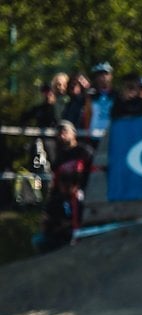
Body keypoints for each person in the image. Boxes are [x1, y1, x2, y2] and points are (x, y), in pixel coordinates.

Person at [35, 120, 94, 253]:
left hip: (84, 192)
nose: (62, 135)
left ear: (73, 133)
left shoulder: (84, 151)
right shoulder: (59, 158)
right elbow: (55, 183)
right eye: (59, 133)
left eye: (65, 132)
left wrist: (81, 188)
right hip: (64, 197)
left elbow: (93, 172)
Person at [83, 62, 117, 146]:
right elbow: (87, 115)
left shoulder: (117, 95)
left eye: (106, 73)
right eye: (100, 74)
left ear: (111, 76)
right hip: (94, 136)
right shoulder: (91, 96)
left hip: (112, 135)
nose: (103, 77)